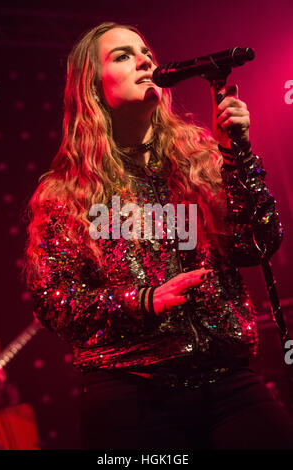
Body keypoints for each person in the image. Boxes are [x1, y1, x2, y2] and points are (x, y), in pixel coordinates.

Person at [24, 22, 293, 450]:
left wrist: (235, 151)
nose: (145, 59)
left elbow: (258, 243)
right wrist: (143, 302)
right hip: (132, 390)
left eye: (146, 51)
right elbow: (54, 303)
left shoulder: (199, 155)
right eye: (123, 55)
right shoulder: (66, 193)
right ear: (93, 88)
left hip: (228, 383)